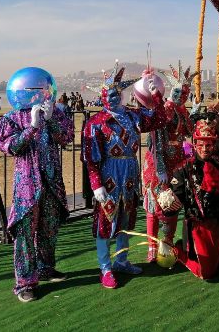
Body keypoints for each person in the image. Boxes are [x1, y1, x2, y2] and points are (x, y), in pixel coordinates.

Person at [82, 64, 167, 289]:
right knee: (105, 221)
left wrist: (156, 95)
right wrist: (96, 184)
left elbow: (158, 120)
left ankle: (121, 260)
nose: (114, 96)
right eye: (109, 93)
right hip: (109, 173)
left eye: (117, 93)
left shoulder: (132, 115)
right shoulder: (96, 123)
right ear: (102, 96)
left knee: (125, 218)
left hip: (129, 172)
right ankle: (105, 267)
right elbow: (90, 159)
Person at [0, 78, 74, 303]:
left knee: (49, 228)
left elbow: (67, 137)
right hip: (27, 186)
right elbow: (10, 147)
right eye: (32, 90)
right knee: (26, 234)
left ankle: (46, 268)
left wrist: (50, 121)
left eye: (41, 90)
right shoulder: (11, 118)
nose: (37, 95)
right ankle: (25, 283)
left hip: (51, 182)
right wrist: (32, 127)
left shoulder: (55, 114)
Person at [167, 117, 219, 279]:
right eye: (200, 144)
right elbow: (177, 198)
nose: (204, 149)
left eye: (208, 144)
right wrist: (168, 204)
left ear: (214, 145)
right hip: (200, 226)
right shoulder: (183, 168)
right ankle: (180, 251)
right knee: (206, 274)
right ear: (194, 144)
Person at [140, 63, 197, 263]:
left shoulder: (182, 111)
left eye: (185, 94)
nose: (182, 97)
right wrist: (161, 167)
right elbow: (156, 139)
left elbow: (190, 132)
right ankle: (152, 248)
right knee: (153, 204)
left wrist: (193, 113)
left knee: (171, 204)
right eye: (179, 92)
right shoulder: (164, 110)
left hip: (177, 163)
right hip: (159, 162)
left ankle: (167, 243)